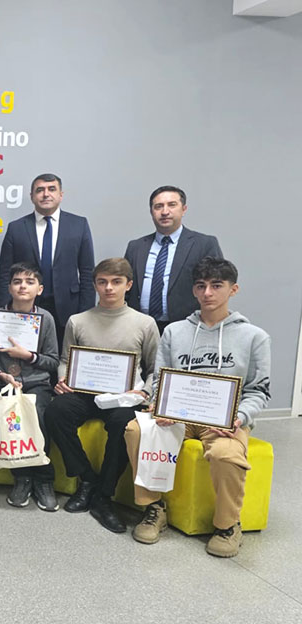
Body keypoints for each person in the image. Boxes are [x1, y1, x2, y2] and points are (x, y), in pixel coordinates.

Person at [124, 257, 270, 557]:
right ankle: (154, 508)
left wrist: (239, 418)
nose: (208, 293)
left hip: (225, 421)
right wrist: (158, 406)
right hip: (177, 416)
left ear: (233, 289)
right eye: (201, 286)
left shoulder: (255, 337)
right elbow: (160, 379)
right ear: (194, 290)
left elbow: (259, 390)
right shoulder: (175, 332)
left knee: (226, 454)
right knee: (135, 430)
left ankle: (227, 526)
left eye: (217, 286)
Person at [45, 258, 159, 534]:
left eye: (116, 282)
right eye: (102, 282)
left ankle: (103, 496)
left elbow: (155, 369)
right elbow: (65, 359)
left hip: (124, 397)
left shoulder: (145, 324)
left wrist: (145, 391)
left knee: (123, 424)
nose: (109, 288)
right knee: (56, 411)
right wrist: (63, 378)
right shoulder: (78, 321)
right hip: (84, 393)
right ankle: (87, 479)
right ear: (95, 285)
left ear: (128, 285)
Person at [0, 262, 60, 511]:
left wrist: (28, 356)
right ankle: (22, 478)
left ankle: (44, 479)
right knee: (10, 419)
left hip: (37, 384)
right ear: (9, 288)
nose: (22, 286)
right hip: (4, 384)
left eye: (29, 282)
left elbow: (53, 361)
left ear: (40, 289)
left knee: (37, 415)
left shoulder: (46, 319)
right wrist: (0, 374)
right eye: (17, 282)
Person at [0, 173, 95, 346]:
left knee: (63, 358)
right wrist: (5, 312)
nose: (46, 194)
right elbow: (5, 273)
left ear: (61, 195)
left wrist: (85, 314)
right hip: (25, 308)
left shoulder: (79, 225)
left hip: (68, 308)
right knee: (27, 356)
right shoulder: (16, 228)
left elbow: (87, 273)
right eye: (40, 190)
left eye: (51, 189)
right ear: (32, 196)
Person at [123, 185, 223, 336]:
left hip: (188, 329)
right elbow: (125, 288)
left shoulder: (204, 244)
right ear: (151, 212)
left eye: (172, 205)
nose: (165, 212)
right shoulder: (136, 247)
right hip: (140, 329)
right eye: (158, 206)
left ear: (184, 209)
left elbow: (216, 288)